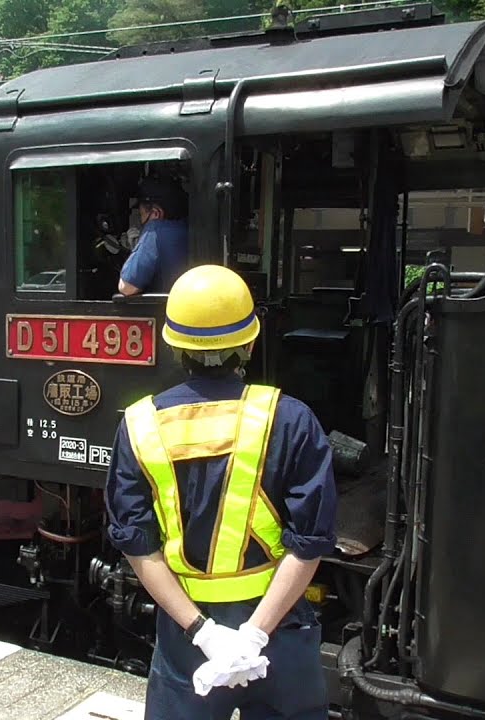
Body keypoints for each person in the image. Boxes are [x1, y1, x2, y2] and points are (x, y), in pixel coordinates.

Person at [105, 264, 338, 719]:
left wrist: (205, 633)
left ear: (175, 346)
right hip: (280, 632)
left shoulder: (138, 425)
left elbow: (136, 543)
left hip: (187, 634)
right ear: (249, 342)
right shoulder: (290, 420)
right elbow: (309, 544)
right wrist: (253, 636)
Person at [118, 177, 190, 295]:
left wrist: (135, 251)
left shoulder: (154, 232)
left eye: (141, 214)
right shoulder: (189, 229)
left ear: (156, 213)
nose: (141, 221)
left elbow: (127, 287)